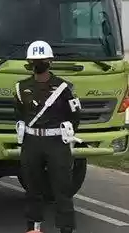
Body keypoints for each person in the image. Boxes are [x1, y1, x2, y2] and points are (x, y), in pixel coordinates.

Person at [14, 40, 81, 233]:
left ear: (50, 61)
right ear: (29, 62)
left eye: (42, 59)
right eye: (35, 60)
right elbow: (18, 114)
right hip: (32, 142)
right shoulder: (20, 87)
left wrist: (62, 132)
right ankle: (33, 228)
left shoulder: (64, 87)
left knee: (62, 190)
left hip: (56, 143)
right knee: (32, 188)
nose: (38, 63)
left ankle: (66, 228)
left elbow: (75, 115)